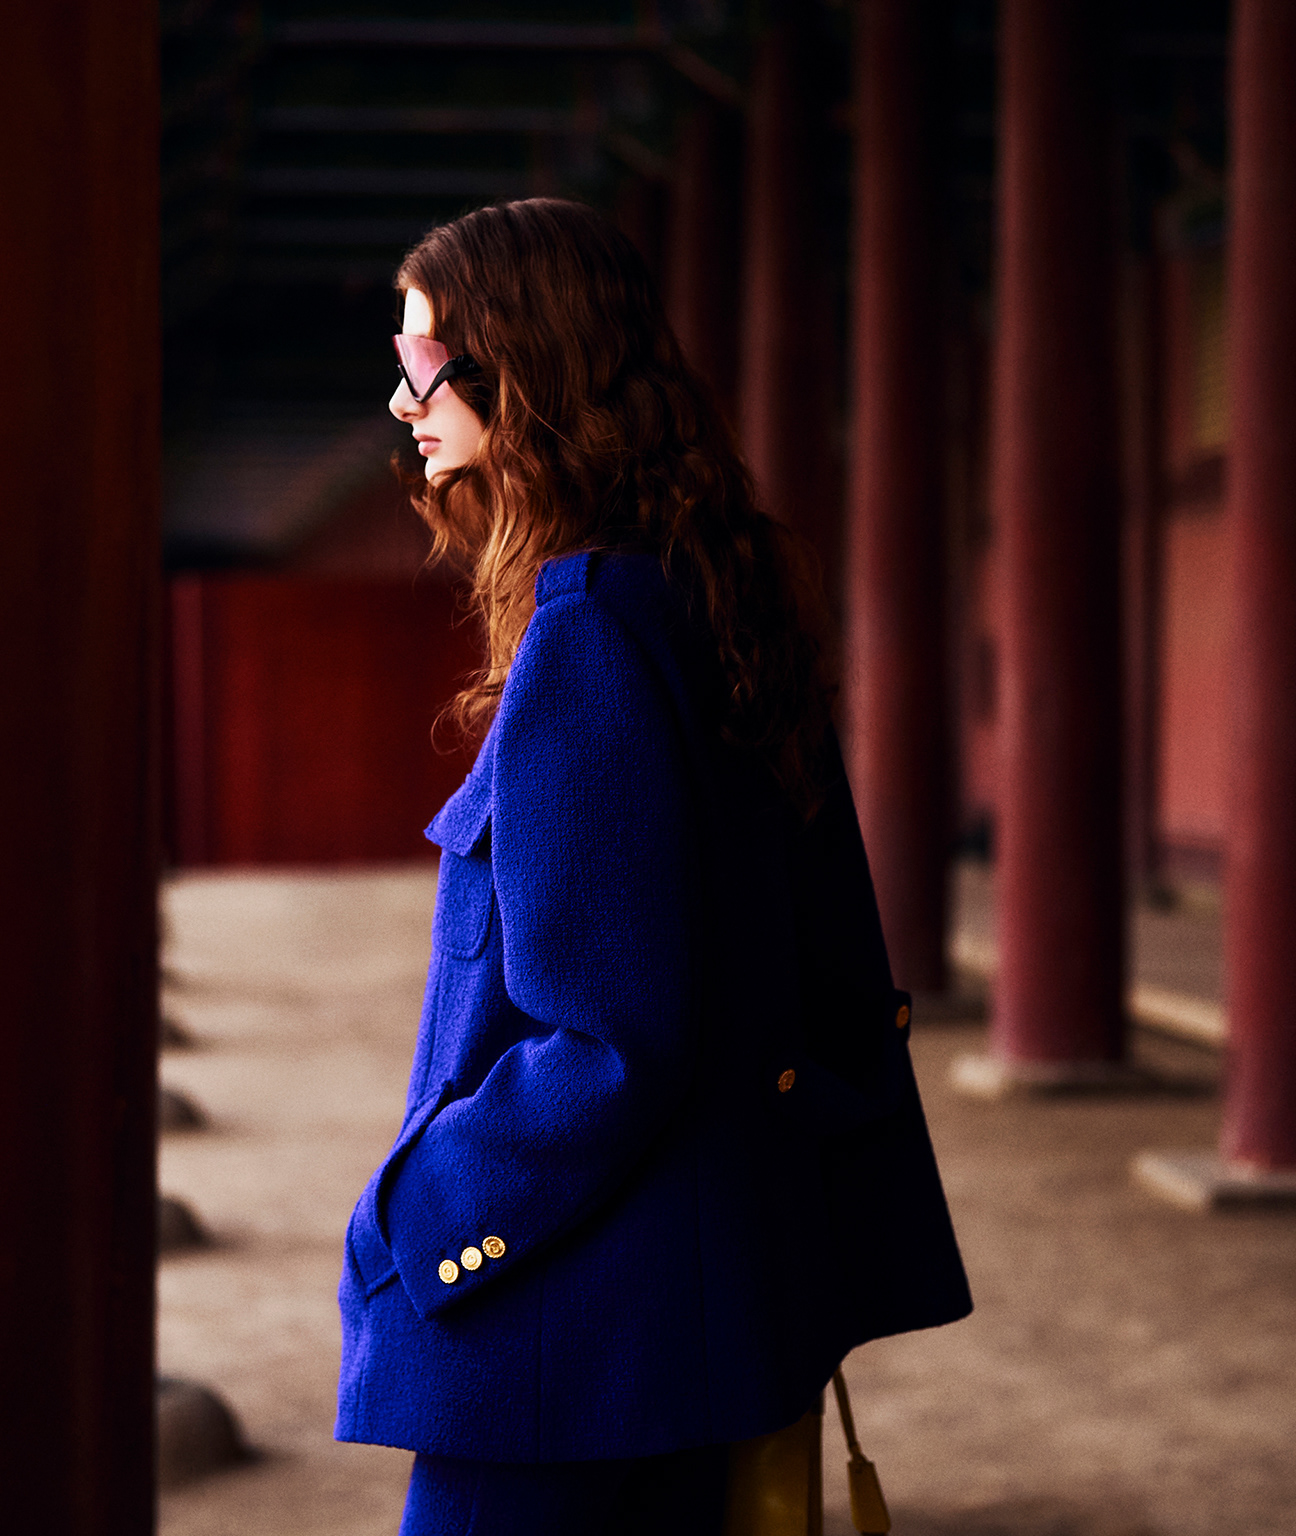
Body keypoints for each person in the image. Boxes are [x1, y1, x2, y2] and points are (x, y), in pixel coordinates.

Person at [338, 198, 971, 1536]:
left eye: (422, 362)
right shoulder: (707, 601)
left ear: (521, 366)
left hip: (572, 1329)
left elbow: (610, 1039)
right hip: (696, 1302)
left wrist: (417, 1212)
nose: (402, 402)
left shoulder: (590, 633)